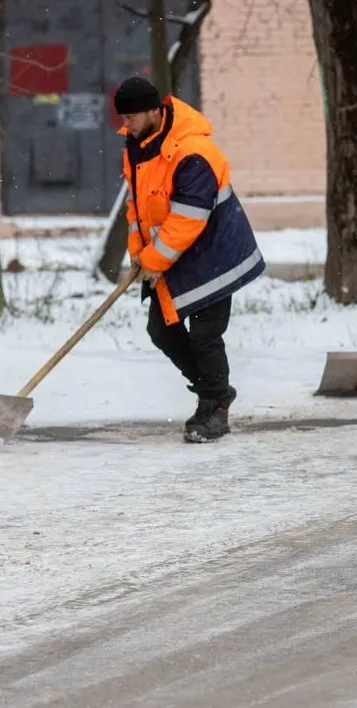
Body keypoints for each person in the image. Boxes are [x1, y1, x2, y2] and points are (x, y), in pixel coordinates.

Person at [115, 76, 265, 442]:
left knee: (205, 334)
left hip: (213, 255)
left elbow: (189, 218)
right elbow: (136, 209)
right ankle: (213, 390)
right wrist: (139, 255)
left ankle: (215, 408)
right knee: (161, 330)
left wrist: (154, 260)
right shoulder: (138, 147)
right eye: (124, 117)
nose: (126, 125)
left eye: (132, 117)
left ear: (154, 111)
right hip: (175, 256)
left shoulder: (193, 152)